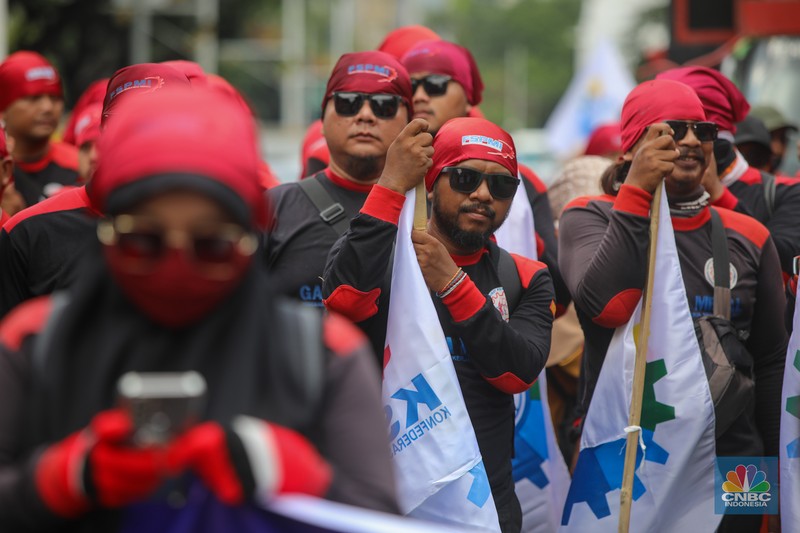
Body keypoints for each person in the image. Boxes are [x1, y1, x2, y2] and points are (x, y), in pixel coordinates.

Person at [0, 86, 398, 532]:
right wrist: (62, 479)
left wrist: (303, 478)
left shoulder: (320, 355)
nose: (176, 267)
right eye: (142, 241)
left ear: (250, 237)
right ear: (104, 229)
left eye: (211, 245)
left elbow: (377, 516)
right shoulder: (34, 342)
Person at [558, 79, 786, 533]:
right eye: (672, 130)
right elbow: (608, 307)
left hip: (733, 461)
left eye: (702, 131)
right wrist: (640, 187)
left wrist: (772, 494)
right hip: (633, 462)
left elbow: (771, 365)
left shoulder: (750, 234)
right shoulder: (588, 216)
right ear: (631, 146)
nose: (689, 142)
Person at [323, 116, 555, 532]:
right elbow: (343, 302)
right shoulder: (382, 254)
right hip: (383, 502)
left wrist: (453, 284)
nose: (483, 194)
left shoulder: (526, 277)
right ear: (431, 182)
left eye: (501, 186)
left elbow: (516, 372)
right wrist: (392, 182)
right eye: (465, 178)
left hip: (483, 506)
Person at [0, 63, 192, 318]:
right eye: (128, 123)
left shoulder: (219, 239)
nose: (147, 137)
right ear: (103, 131)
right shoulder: (28, 233)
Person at [401, 38, 570, 314]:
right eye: (410, 87)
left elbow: (558, 296)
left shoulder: (519, 181)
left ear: (468, 95)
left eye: (435, 85)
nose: (419, 96)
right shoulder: (385, 177)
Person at [265, 51, 413, 306]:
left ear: (409, 121)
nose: (365, 115)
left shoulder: (430, 216)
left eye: (384, 105)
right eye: (348, 102)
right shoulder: (274, 207)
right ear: (322, 119)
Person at [656, 66, 800, 283]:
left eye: (701, 132)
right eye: (676, 132)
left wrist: (717, 193)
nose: (689, 143)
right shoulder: (652, 195)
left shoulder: (785, 193)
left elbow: (782, 265)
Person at [0, 51, 79, 214]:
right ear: (2, 108)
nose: (47, 108)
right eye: (33, 98)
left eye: (55, 98)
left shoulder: (80, 165)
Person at [749, 104, 798, 174]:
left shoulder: (785, 183)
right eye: (769, 137)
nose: (777, 149)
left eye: (782, 139)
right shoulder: (731, 181)